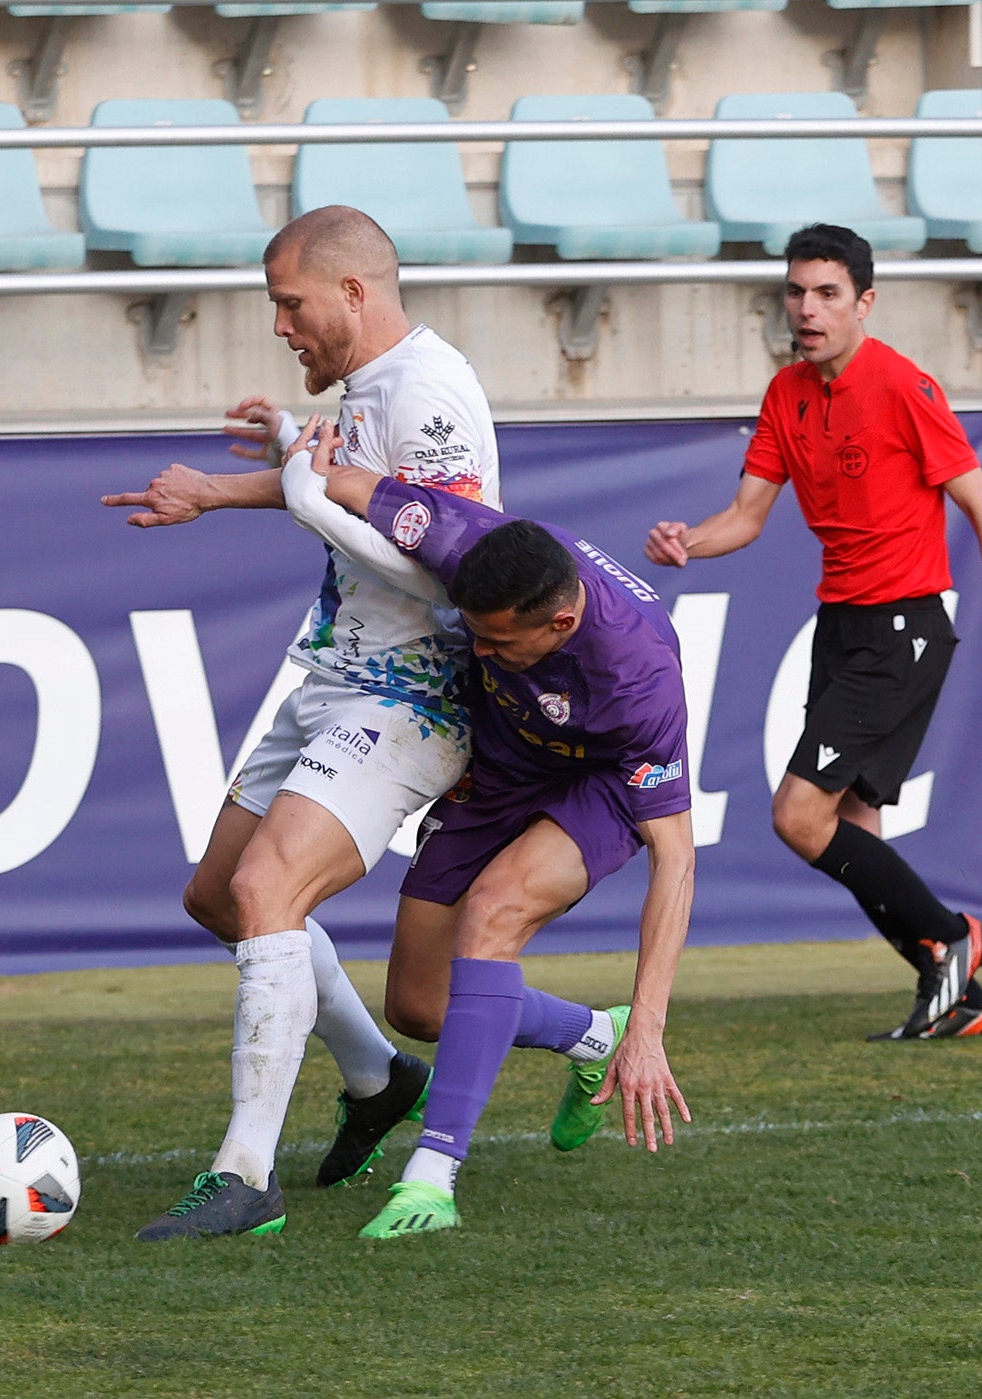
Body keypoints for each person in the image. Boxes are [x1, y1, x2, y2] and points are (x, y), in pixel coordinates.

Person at [101, 205, 501, 1240]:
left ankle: (246, 1176)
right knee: (217, 898)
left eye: (290, 303)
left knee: (266, 887)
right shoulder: (368, 387)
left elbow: (457, 566)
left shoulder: (431, 390)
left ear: (353, 293)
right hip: (334, 674)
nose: (281, 325)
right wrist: (227, 487)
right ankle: (376, 1079)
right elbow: (336, 484)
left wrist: (302, 487)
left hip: (411, 688)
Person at [278, 419, 695, 1239]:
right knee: (421, 1007)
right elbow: (346, 484)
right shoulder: (464, 538)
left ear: (560, 626)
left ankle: (432, 1176)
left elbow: (676, 858)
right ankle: (588, 1034)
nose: (487, 651)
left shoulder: (639, 675)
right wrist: (279, 462)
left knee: (495, 911)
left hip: (597, 784)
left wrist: (652, 1022)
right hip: (500, 768)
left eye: (503, 642)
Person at [645, 223, 982, 1042]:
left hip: (905, 629)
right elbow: (747, 517)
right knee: (856, 831)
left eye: (827, 293)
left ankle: (954, 935)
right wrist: (690, 540)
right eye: (797, 292)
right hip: (841, 627)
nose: (807, 308)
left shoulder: (904, 386)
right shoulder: (786, 393)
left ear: (864, 302)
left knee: (798, 816)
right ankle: (964, 999)